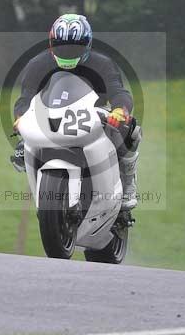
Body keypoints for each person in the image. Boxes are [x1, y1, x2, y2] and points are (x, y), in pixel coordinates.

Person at [11, 14, 141, 210]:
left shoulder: (103, 63)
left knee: (131, 130)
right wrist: (20, 117)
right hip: (49, 114)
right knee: (22, 144)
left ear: (88, 44)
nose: (68, 52)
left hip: (93, 114)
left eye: (75, 47)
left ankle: (128, 181)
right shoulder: (37, 64)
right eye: (62, 46)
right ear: (51, 43)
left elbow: (118, 91)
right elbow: (25, 98)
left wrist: (119, 111)